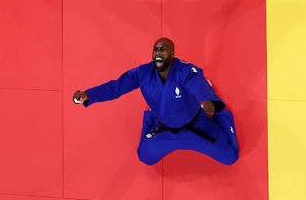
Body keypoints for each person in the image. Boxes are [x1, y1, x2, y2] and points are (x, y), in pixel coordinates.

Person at [73, 38, 239, 165]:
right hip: (164, 128)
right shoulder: (143, 73)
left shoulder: (186, 70)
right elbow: (117, 87)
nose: (158, 53)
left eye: (163, 49)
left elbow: (198, 85)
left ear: (173, 53)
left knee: (230, 157)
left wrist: (208, 100)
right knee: (145, 157)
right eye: (155, 49)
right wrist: (89, 95)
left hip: (196, 126)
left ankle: (221, 118)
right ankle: (150, 120)